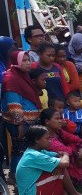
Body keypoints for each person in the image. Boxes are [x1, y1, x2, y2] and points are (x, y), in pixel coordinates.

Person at [15, 125, 82, 195]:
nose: (50, 141)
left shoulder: (38, 152)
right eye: (47, 139)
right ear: (37, 140)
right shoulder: (34, 155)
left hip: (30, 193)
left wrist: (60, 161)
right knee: (61, 167)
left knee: (57, 166)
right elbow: (65, 163)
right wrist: (65, 154)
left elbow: (57, 155)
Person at [2, 50, 43, 180]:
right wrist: (19, 123)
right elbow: (13, 103)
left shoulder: (22, 76)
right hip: (19, 123)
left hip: (28, 121)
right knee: (19, 150)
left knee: (25, 149)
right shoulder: (11, 78)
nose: (28, 63)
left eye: (28, 60)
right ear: (16, 62)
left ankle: (24, 175)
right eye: (24, 60)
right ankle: (15, 176)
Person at [39, 108, 82, 184]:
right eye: (57, 119)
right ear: (47, 121)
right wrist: (79, 155)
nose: (60, 121)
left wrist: (81, 152)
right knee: (68, 154)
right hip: (55, 166)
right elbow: (67, 151)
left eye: (60, 118)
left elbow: (77, 140)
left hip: (69, 157)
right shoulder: (46, 139)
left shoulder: (58, 131)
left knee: (75, 145)